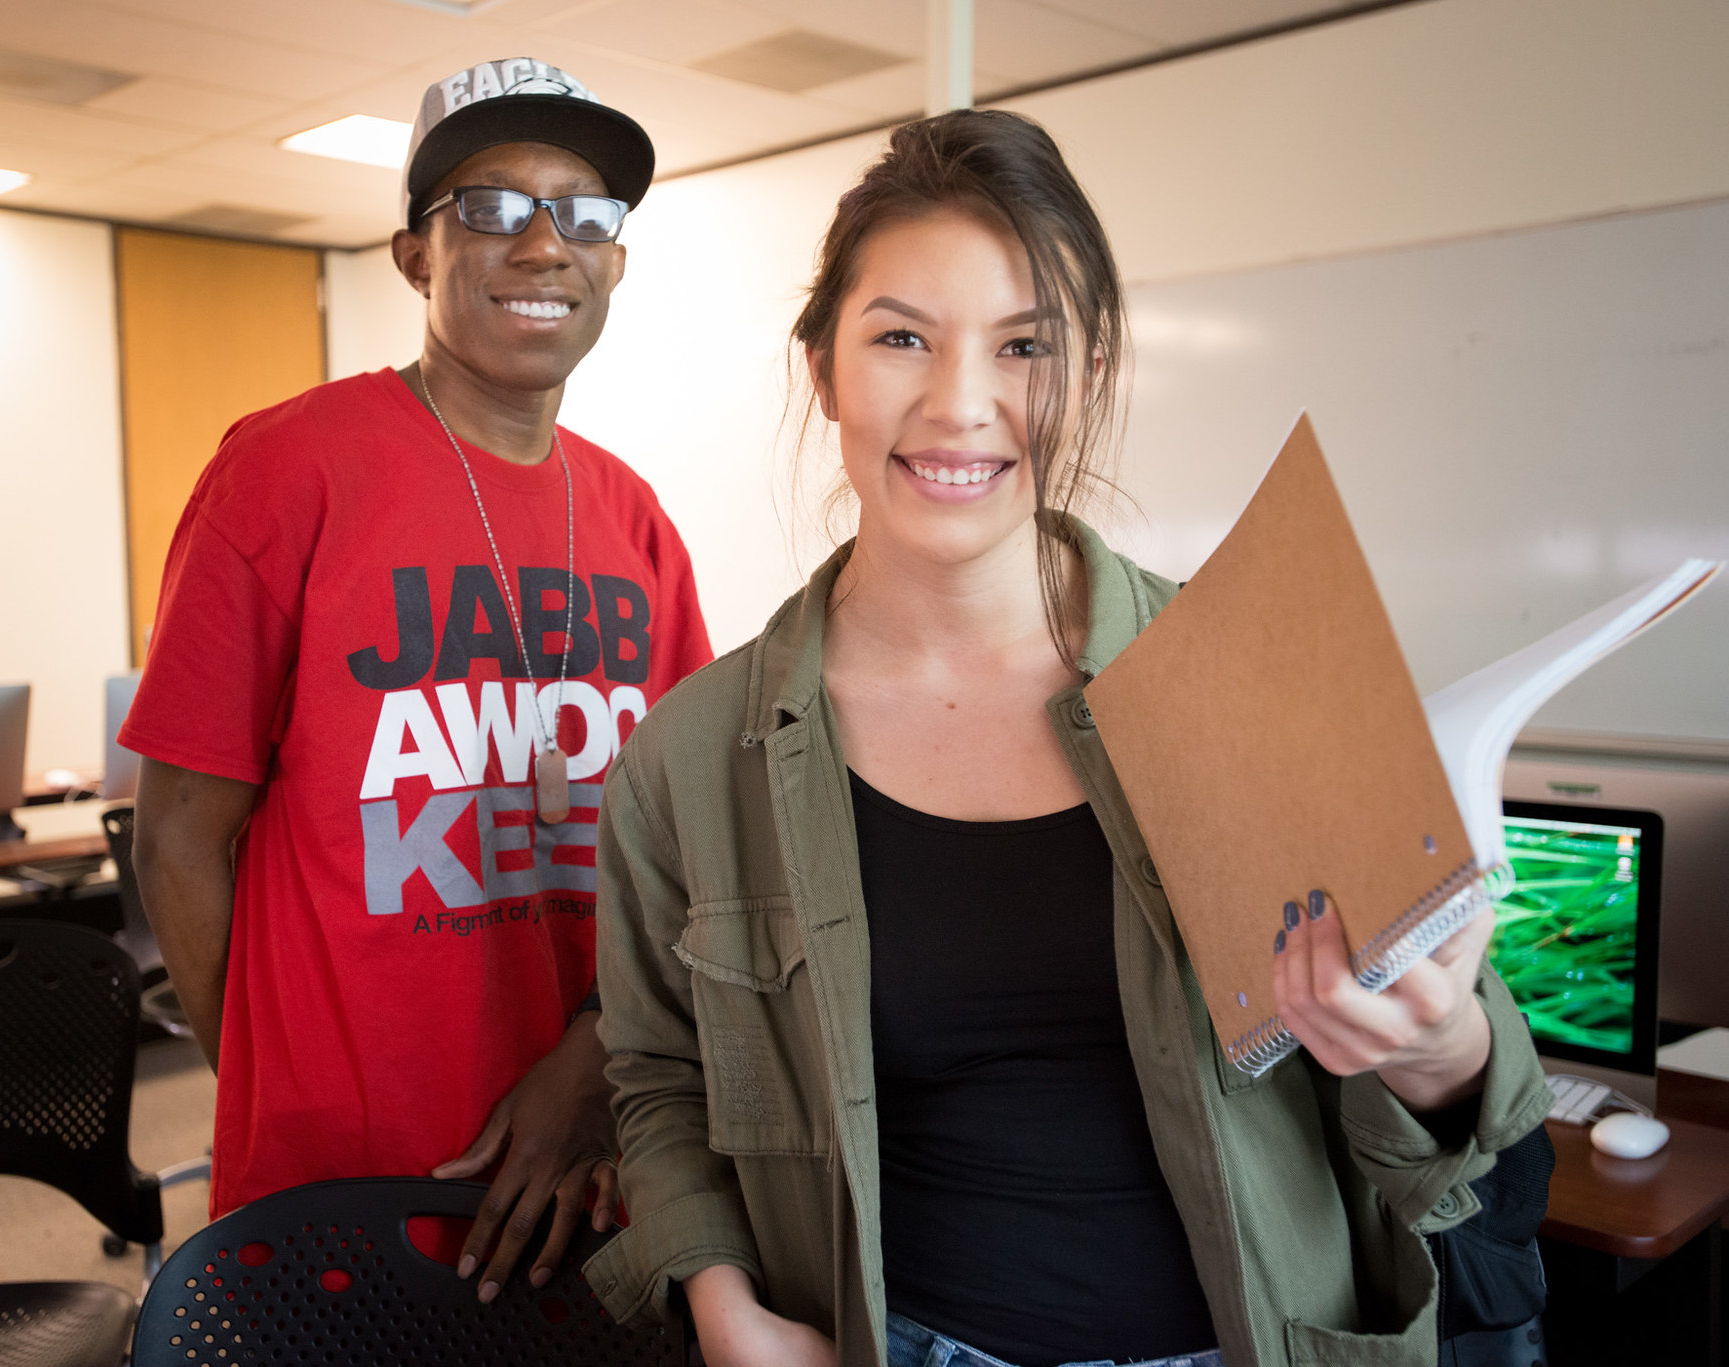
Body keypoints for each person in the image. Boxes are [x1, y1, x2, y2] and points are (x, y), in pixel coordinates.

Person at [586, 109, 1549, 1367]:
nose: (961, 404)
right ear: (822, 365)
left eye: (1022, 343)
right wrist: (722, 1301)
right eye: (899, 339)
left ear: (1085, 371)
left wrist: (1437, 1048)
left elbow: (1461, 1120)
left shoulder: (1247, 670)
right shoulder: (691, 754)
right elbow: (661, 1077)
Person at [119, 58, 713, 1302]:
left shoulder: (634, 521)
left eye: (585, 213)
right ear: (412, 255)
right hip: (344, 1183)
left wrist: (602, 1058)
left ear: (616, 263)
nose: (544, 242)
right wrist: (284, 1088)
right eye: (491, 206)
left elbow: (686, 853)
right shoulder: (286, 472)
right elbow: (180, 834)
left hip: (586, 1174)